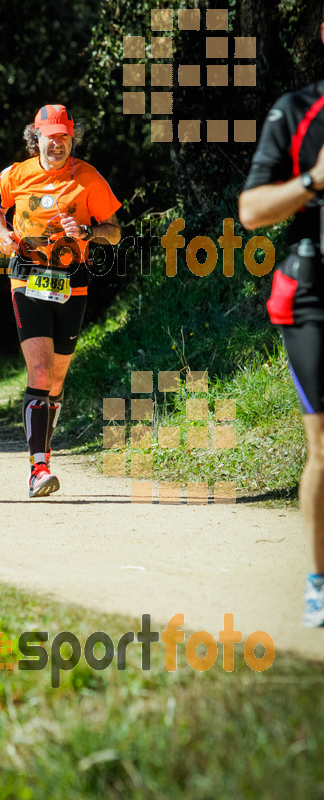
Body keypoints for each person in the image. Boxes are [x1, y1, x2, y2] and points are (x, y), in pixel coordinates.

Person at [0, 104, 121, 497]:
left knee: (57, 379)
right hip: (26, 277)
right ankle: (38, 468)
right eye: (51, 137)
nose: (57, 144)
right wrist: (3, 235)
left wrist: (88, 230)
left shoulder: (89, 178)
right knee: (40, 373)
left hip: (71, 281)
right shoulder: (14, 175)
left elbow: (113, 232)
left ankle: (43, 436)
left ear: (71, 139)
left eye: (64, 137)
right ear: (37, 138)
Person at [239, 21, 324, 627]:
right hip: (314, 293)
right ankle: (319, 582)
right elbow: (250, 210)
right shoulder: (296, 111)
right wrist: (315, 180)